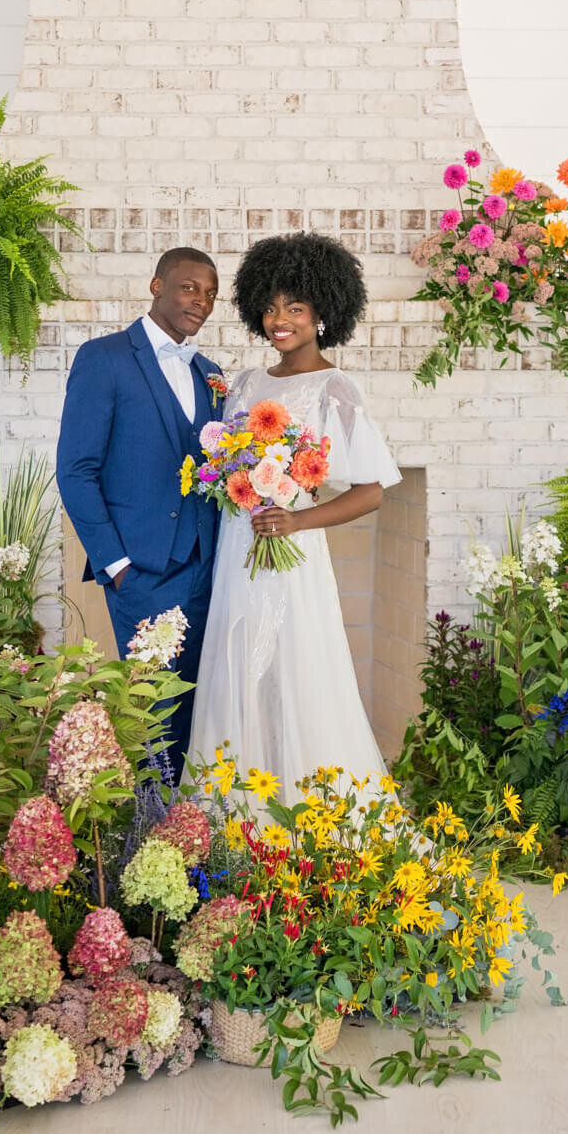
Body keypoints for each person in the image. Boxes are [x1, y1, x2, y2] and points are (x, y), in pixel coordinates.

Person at [190, 232, 401, 798]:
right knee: (238, 665)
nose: (280, 319)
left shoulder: (337, 388)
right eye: (271, 306)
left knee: (295, 667)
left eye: (296, 307)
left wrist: (296, 521)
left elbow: (373, 490)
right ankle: (233, 814)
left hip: (292, 553)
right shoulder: (244, 385)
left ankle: (308, 811)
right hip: (239, 550)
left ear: (324, 312)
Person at [57, 247, 223, 775]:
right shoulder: (103, 358)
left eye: (212, 293)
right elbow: (76, 471)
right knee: (150, 711)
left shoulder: (211, 373)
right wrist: (116, 565)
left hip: (206, 569)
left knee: (197, 709)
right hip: (142, 572)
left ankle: (189, 834)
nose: (202, 300)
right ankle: (148, 831)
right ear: (157, 286)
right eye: (190, 287)